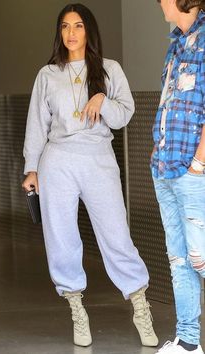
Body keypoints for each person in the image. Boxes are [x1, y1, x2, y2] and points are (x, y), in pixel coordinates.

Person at [22, 3, 158, 348]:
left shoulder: (110, 70)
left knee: (116, 234)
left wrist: (102, 99)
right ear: (59, 32)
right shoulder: (47, 74)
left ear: (89, 31)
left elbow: (125, 114)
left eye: (78, 26)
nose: (71, 33)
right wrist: (31, 168)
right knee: (62, 237)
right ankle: (76, 308)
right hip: (58, 161)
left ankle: (140, 305)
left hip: (98, 159)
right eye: (65, 26)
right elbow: (37, 125)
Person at [152, 1, 205, 353]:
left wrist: (199, 163)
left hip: (193, 170)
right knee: (180, 260)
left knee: (202, 256)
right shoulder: (176, 42)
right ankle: (188, 343)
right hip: (165, 167)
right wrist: (156, 154)